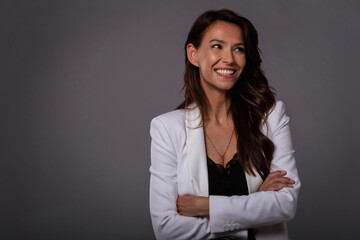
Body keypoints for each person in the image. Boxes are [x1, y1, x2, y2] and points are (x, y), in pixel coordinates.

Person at [149, 9, 300, 240]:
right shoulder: (167, 128)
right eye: (217, 46)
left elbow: (285, 204)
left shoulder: (270, 117)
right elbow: (166, 228)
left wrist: (206, 207)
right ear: (194, 54)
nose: (229, 59)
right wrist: (253, 209)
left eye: (238, 49)